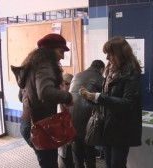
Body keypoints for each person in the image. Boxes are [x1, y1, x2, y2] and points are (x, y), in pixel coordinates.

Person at [79, 36, 142, 168]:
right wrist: (90, 98)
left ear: (121, 53)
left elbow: (128, 103)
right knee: (109, 164)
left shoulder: (132, 74)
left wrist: (98, 97)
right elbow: (107, 101)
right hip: (108, 128)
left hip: (122, 129)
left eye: (110, 54)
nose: (107, 58)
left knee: (116, 164)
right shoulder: (110, 72)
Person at [11, 33, 73, 168]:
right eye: (61, 51)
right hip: (41, 127)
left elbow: (21, 97)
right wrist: (67, 96)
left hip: (28, 124)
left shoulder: (31, 64)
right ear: (49, 50)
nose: (62, 56)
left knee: (47, 163)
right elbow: (45, 92)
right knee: (49, 164)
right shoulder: (44, 64)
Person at [69, 60, 105, 168]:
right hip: (88, 115)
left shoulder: (77, 75)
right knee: (88, 144)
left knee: (76, 143)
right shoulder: (101, 79)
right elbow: (104, 98)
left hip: (70, 112)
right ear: (102, 69)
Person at [58, 73, 75, 168]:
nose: (65, 86)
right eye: (63, 84)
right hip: (62, 136)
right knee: (65, 158)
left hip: (72, 135)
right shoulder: (58, 98)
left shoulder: (73, 97)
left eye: (68, 84)